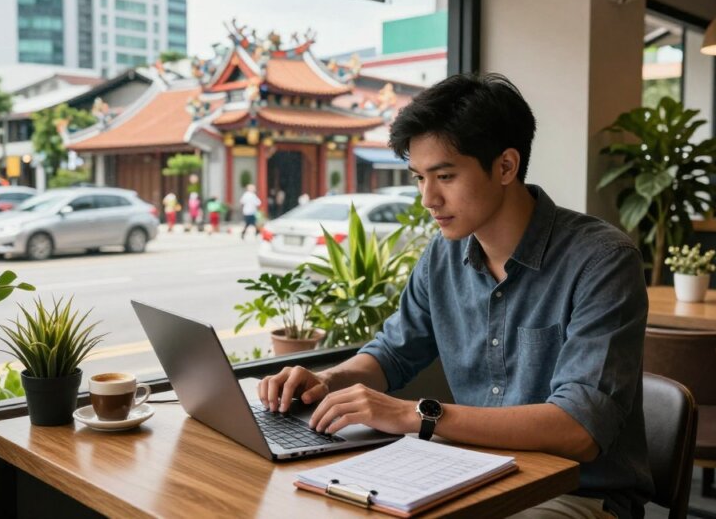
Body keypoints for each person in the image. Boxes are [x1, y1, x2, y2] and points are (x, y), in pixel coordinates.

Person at [259, 74, 651, 519]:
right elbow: (392, 353)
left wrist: (418, 415)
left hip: (577, 493)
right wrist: (328, 382)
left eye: (445, 176)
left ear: (505, 166)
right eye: (419, 178)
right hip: (471, 473)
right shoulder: (443, 255)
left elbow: (580, 428)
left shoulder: (602, 261)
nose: (428, 198)